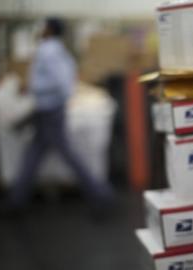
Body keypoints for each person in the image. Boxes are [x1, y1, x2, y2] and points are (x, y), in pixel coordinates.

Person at [7, 18, 113, 211]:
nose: (41, 29)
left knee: (66, 154)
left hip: (49, 110)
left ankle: (100, 195)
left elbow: (62, 82)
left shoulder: (48, 51)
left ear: (49, 29)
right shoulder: (55, 49)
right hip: (47, 109)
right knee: (34, 154)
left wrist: (35, 87)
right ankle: (16, 200)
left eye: (43, 26)